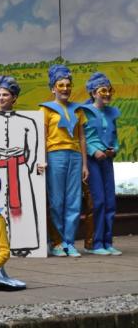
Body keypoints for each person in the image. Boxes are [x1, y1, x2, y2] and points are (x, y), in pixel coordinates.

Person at [0, 76, 41, 257]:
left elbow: (32, 150)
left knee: (22, 207)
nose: (1, 98)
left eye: (5, 95)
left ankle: (21, 243)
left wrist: (30, 167)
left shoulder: (28, 122)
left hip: (19, 171)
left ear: (14, 97)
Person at [40, 64, 88, 257]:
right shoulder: (45, 110)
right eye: (61, 85)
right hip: (55, 155)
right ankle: (57, 242)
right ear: (53, 88)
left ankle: (69, 242)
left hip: (75, 156)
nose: (65, 88)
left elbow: (82, 137)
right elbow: (42, 137)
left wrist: (85, 164)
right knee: (57, 200)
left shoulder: (78, 110)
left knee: (74, 200)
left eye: (68, 85)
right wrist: (43, 160)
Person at [81, 72, 122, 256]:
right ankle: (96, 243)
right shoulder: (85, 112)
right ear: (93, 93)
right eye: (103, 91)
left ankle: (107, 241)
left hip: (107, 160)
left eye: (109, 90)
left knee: (110, 201)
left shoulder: (111, 113)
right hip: (93, 161)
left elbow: (115, 137)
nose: (107, 94)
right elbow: (81, 137)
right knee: (98, 201)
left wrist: (115, 149)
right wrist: (93, 151)